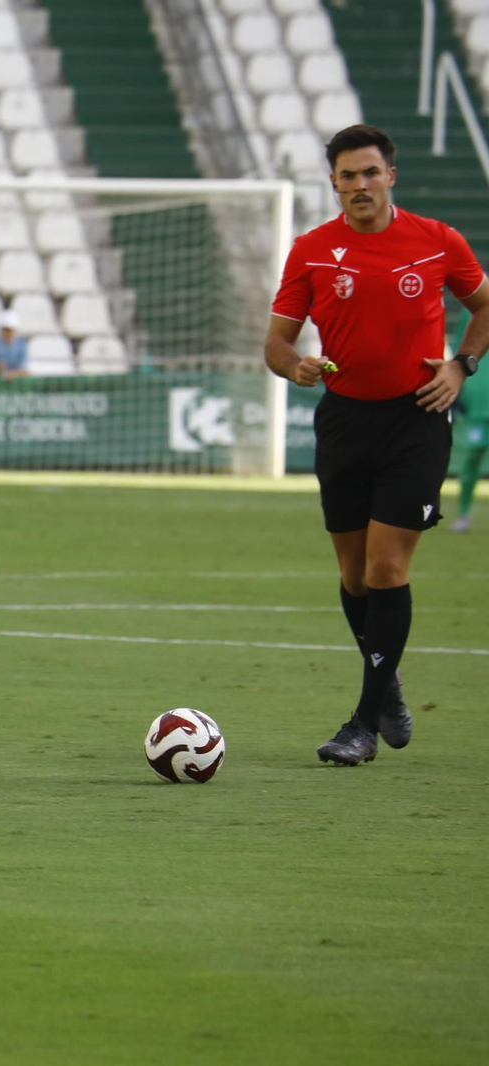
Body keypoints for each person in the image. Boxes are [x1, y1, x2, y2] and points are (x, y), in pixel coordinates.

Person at [264, 124, 487, 766]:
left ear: (391, 175)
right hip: (343, 422)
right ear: (334, 183)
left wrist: (461, 365)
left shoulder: (437, 240)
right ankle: (384, 681)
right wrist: (295, 366)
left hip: (416, 419)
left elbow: (484, 306)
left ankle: (362, 725)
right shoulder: (311, 251)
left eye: (370, 172)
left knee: (386, 569)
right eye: (347, 175)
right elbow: (276, 343)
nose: (360, 185)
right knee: (354, 576)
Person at [448, 313, 489, 533]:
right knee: (474, 454)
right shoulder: (473, 309)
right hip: (480, 397)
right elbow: (460, 349)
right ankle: (463, 514)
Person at [0, 309, 28, 379]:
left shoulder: (22, 346)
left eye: (10, 330)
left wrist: (13, 374)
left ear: (15, 330)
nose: (7, 333)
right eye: (5, 330)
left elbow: (25, 370)